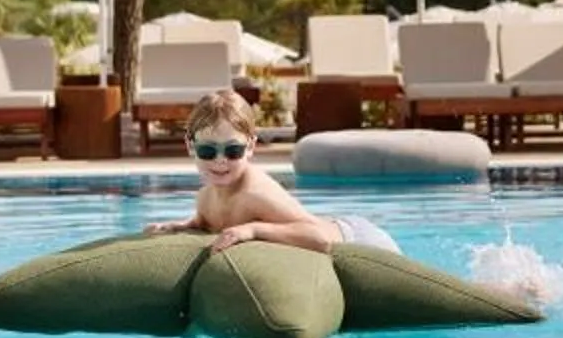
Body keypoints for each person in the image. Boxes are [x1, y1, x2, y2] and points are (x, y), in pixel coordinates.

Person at [145, 89, 398, 255]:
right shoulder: (205, 197)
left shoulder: (255, 193)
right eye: (208, 151)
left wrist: (254, 230)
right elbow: (208, 223)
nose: (220, 161)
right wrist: (181, 226)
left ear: (251, 146)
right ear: (190, 145)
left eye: (233, 151)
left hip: (358, 239)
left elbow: (320, 238)